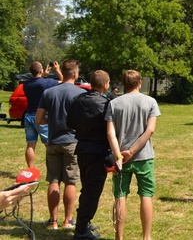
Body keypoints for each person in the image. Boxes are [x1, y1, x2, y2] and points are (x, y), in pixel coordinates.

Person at [105, 70, 160, 240]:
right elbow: (150, 129)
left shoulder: (114, 103)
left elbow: (110, 133)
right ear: (139, 83)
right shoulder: (150, 101)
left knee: (120, 196)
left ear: (123, 83)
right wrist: (133, 151)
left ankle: (119, 237)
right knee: (146, 195)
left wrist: (119, 155)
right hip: (144, 156)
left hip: (121, 159)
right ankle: (146, 236)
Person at [35, 59, 84, 230]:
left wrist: (53, 119)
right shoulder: (80, 94)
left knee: (53, 180)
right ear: (76, 74)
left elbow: (39, 119)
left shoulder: (49, 92)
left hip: (53, 141)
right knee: (71, 182)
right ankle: (68, 220)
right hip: (73, 142)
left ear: (62, 71)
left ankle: (53, 221)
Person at [66, 70, 112, 239]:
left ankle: (84, 222)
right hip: (98, 151)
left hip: (82, 149)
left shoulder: (77, 100)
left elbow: (69, 122)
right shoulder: (106, 103)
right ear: (105, 84)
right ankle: (81, 229)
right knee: (92, 191)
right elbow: (110, 128)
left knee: (87, 188)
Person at [22, 61, 62, 168]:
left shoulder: (26, 84)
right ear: (40, 70)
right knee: (49, 145)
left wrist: (44, 75)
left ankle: (31, 169)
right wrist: (57, 69)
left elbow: (38, 82)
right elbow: (63, 81)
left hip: (29, 115)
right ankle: (54, 168)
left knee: (30, 145)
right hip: (42, 116)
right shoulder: (47, 82)